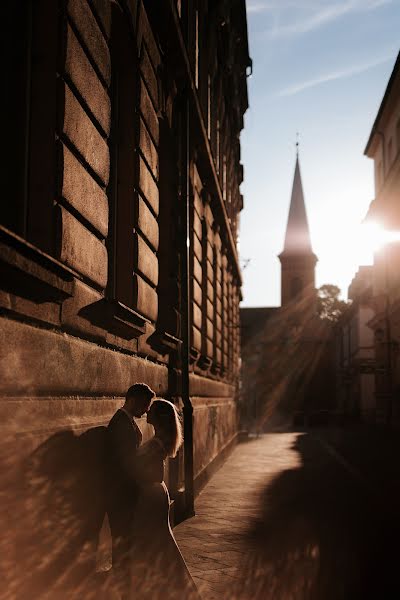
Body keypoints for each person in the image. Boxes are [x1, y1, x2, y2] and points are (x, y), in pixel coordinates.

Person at [128, 399, 200, 600]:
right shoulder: (160, 439)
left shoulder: (157, 444)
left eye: (152, 410)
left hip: (151, 494)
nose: (147, 411)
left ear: (158, 417)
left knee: (155, 540)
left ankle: (170, 586)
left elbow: (142, 469)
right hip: (154, 493)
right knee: (158, 540)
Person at [106, 383, 155, 598]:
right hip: (120, 495)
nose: (146, 410)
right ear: (133, 399)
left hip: (126, 493)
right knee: (122, 538)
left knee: (126, 538)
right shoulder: (120, 423)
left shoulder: (126, 421)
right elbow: (125, 463)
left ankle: (125, 580)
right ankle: (122, 584)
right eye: (145, 404)